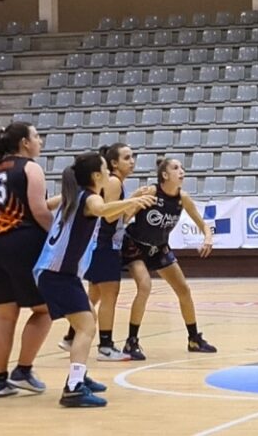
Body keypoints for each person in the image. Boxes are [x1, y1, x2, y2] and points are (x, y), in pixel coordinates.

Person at [33, 152, 156, 407]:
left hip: (57, 272)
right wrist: (133, 201)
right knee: (87, 326)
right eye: (106, 170)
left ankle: (79, 374)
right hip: (56, 274)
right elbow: (101, 210)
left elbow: (46, 206)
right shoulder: (89, 197)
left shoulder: (73, 194)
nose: (110, 174)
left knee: (89, 316)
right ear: (97, 176)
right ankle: (74, 388)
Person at [0, 122, 57, 398]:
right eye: (36, 136)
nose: (40, 141)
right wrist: (57, 237)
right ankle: (23, 370)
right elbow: (38, 211)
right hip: (24, 242)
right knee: (45, 309)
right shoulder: (31, 168)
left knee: (4, 315)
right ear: (25, 143)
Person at [59, 143, 152, 360]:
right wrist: (133, 200)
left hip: (104, 244)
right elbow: (109, 216)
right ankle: (106, 346)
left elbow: (121, 218)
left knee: (96, 294)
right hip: (104, 244)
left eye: (133, 157)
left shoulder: (117, 183)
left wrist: (135, 202)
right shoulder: (114, 182)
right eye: (127, 157)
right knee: (110, 294)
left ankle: (72, 336)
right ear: (114, 163)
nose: (132, 161)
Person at [121, 157, 215, 359]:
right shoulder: (151, 192)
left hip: (159, 247)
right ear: (164, 175)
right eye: (175, 168)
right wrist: (134, 199)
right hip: (135, 245)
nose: (181, 171)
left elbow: (203, 225)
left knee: (184, 290)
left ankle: (193, 339)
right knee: (145, 287)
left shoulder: (183, 198)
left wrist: (207, 238)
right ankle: (131, 341)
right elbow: (124, 218)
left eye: (182, 168)